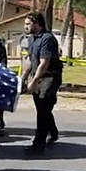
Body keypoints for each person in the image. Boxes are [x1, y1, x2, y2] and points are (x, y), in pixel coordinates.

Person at [21, 12, 63, 155]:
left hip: (49, 78)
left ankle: (38, 146)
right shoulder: (32, 39)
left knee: (43, 110)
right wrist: (24, 77)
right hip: (38, 76)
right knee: (42, 108)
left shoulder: (47, 39)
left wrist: (33, 82)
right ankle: (53, 132)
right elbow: (29, 60)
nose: (25, 26)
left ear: (37, 23)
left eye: (28, 23)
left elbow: (44, 63)